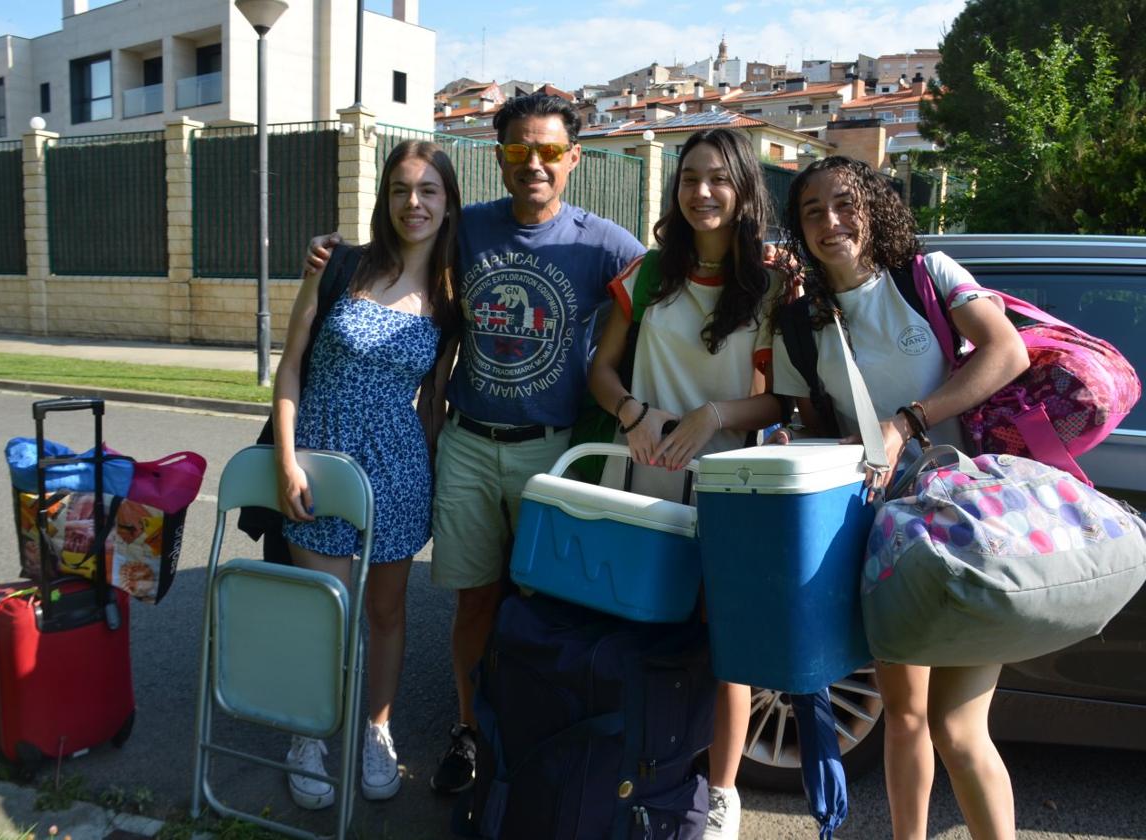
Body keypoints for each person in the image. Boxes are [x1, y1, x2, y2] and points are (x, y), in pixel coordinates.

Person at [303, 92, 646, 795]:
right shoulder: (469, 229)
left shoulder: (604, 241)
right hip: (465, 441)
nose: (535, 164)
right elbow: (402, 240)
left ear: (574, 159)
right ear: (500, 158)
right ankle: (467, 730)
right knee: (477, 602)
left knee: (545, 603)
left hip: (548, 450)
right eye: (520, 150)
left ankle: (530, 731)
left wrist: (759, 269)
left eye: (550, 151)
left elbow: (670, 284)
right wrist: (332, 254)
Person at [769, 155, 1029, 840]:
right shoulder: (799, 323)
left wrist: (908, 420)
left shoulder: (928, 275)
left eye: (845, 203)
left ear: (875, 206)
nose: (831, 221)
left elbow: (1007, 353)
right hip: (884, 540)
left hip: (968, 527)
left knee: (959, 726)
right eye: (812, 211)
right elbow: (807, 426)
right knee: (905, 715)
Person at [587, 128, 786, 840]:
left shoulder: (768, 285)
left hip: (728, 487)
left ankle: (724, 792)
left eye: (718, 179)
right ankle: (632, 774)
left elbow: (783, 399)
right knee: (637, 627)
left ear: (742, 191)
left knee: (723, 642)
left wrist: (716, 416)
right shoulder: (646, 275)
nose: (702, 191)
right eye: (690, 177)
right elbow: (601, 371)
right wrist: (631, 410)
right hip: (639, 479)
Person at [273, 139, 462, 808]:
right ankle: (306, 734)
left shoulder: (449, 292)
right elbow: (291, 365)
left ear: (447, 201)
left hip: (400, 471)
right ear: (385, 199)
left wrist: (435, 477)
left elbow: (436, 396)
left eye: (429, 190)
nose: (415, 203)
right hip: (320, 463)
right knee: (325, 613)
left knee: (386, 612)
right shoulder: (340, 265)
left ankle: (376, 731)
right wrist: (286, 459)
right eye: (401, 190)